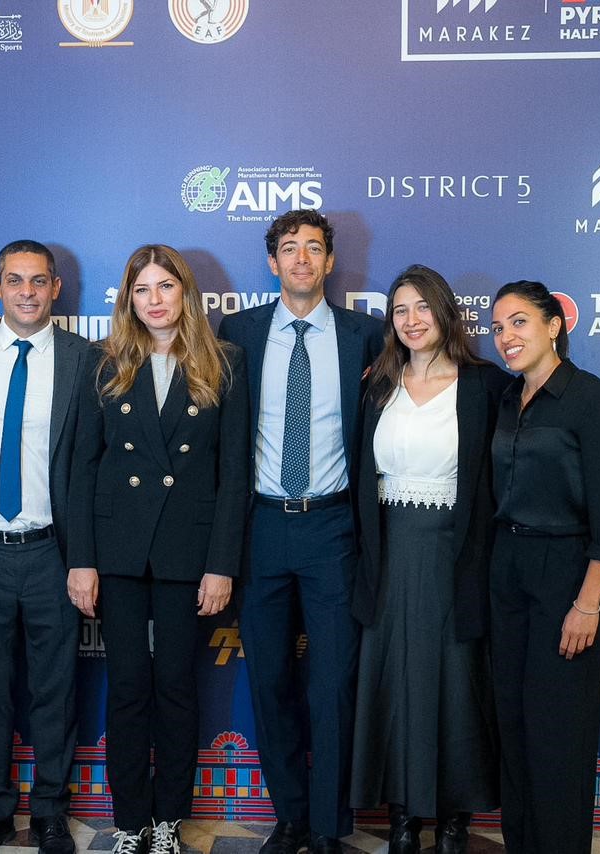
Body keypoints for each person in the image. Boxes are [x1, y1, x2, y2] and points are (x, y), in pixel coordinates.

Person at [67, 245, 249, 854]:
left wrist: (221, 564)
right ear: (128, 299)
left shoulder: (225, 361)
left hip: (186, 553)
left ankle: (168, 820)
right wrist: (81, 559)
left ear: (185, 292)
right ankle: (129, 822)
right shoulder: (103, 362)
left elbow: (233, 473)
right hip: (118, 551)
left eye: (165, 286)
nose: (154, 299)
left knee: (174, 687)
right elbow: (83, 467)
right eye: (142, 289)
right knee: (127, 689)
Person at [218, 210, 382, 854]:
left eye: (314, 248)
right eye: (290, 248)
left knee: (333, 684)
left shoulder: (366, 335)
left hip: (333, 526)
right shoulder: (238, 332)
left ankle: (328, 824)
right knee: (269, 681)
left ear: (330, 261)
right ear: (273, 262)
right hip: (261, 526)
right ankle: (288, 818)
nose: (302, 259)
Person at [349, 266, 508, 854]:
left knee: (456, 684)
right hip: (388, 556)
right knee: (392, 683)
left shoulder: (485, 384)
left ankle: (453, 818)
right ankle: (401, 818)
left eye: (422, 307)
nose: (412, 320)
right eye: (400, 310)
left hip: (456, 556)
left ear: (445, 312)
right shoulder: (377, 384)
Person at [0, 241, 94, 854]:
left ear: (56, 288)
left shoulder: (85, 360)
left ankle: (52, 812)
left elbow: (91, 467)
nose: (27, 292)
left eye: (39, 281)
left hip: (50, 553)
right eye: (15, 280)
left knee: (55, 690)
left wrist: (83, 557)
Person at [487, 281, 600, 854]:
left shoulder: (592, 400)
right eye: (498, 327)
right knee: (514, 725)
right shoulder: (505, 399)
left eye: (519, 322)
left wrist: (587, 603)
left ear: (554, 326)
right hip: (507, 569)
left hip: (567, 574)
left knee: (558, 733)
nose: (506, 336)